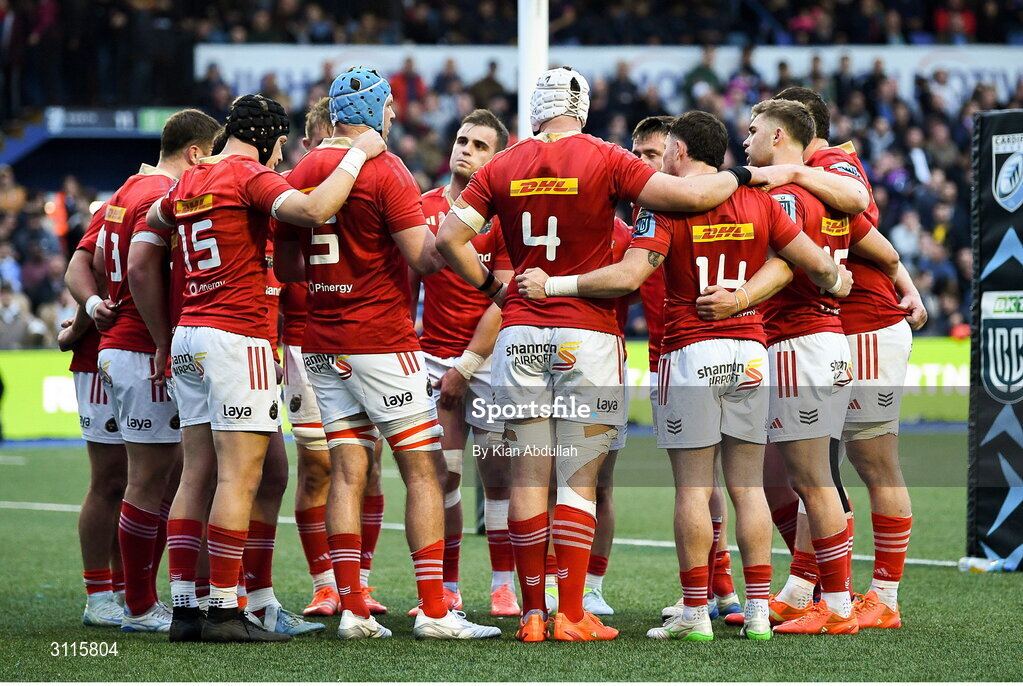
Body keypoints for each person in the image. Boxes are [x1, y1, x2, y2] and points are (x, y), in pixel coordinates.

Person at [436, 66, 775, 642]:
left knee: (527, 476)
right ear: (583, 108)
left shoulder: (501, 164)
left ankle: (533, 615)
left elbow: (447, 240)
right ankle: (572, 612)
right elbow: (693, 193)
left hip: (519, 334)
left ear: (535, 108)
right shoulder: (605, 156)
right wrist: (745, 171)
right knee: (579, 479)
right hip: (586, 336)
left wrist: (496, 289)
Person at [516, 111, 849, 641]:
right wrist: (833, 278)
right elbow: (810, 264)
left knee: (694, 489)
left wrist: (555, 286)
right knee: (748, 489)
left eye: (663, 149)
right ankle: (759, 613)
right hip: (751, 351)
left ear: (677, 150)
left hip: (690, 351)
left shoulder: (661, 208)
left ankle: (697, 613)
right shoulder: (761, 199)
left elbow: (629, 275)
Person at [146, 93, 386, 643]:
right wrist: (356, 156)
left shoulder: (190, 179)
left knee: (196, 473)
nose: (279, 161)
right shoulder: (249, 176)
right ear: (270, 140)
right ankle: (227, 612)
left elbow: (149, 226)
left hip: (189, 335)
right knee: (239, 476)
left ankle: (186, 609)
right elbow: (312, 210)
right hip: (237, 336)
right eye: (278, 150)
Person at [274, 67, 501, 641]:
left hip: (322, 341)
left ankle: (352, 607)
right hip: (380, 339)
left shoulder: (305, 171)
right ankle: (432, 608)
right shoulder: (386, 169)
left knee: (348, 470)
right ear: (374, 111)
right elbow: (425, 260)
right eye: (390, 109)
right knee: (422, 470)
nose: (395, 117)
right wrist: (461, 234)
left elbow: (288, 268)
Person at [741, 98, 900, 635]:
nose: (746, 141)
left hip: (814, 339)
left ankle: (843, 603)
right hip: (828, 337)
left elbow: (788, 264)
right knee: (814, 476)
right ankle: (816, 593)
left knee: (828, 476)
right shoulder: (812, 189)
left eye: (754, 130)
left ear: (782, 135)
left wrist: (740, 298)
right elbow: (874, 242)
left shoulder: (807, 183)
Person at [771, 86, 925, 629]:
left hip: (866, 329)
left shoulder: (831, 165)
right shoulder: (807, 182)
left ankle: (882, 597)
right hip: (846, 329)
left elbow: (858, 205)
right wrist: (909, 283)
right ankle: (803, 586)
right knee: (822, 468)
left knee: (870, 465)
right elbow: (877, 243)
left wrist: (791, 174)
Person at [87, 110, 221, 632]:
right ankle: (138, 606)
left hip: (125, 345)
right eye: (210, 155)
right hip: (143, 350)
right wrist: (164, 340)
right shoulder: (160, 197)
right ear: (195, 154)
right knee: (147, 481)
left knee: (158, 479)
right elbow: (144, 268)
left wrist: (102, 306)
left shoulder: (125, 192)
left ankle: (134, 597)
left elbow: (99, 263)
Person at [412, 108, 518, 617]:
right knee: (444, 477)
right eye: (462, 140)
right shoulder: (422, 207)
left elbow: (504, 300)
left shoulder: (503, 217)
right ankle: (447, 588)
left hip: (490, 365)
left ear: (496, 158)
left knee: (497, 479)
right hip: (432, 360)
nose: (466, 150)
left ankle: (502, 587)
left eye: (480, 145)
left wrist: (468, 367)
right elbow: (406, 281)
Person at [285, 98, 388, 618]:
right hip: (305, 344)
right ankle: (325, 582)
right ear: (311, 144)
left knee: (368, 466)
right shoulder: (291, 193)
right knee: (317, 467)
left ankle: (359, 582)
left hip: (369, 339)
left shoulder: (377, 185)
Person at [60, 201, 127, 628]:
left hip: (160, 355)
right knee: (112, 480)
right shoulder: (127, 201)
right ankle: (100, 593)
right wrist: (83, 322)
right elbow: (83, 270)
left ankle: (130, 591)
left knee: (155, 481)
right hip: (103, 357)